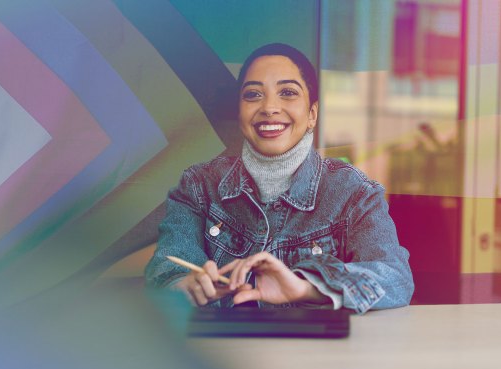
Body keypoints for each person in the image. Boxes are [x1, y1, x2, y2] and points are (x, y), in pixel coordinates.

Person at [144, 43, 413, 314]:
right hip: (223, 352)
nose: (269, 107)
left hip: (316, 355)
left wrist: (306, 287)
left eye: (287, 93)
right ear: (240, 114)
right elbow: (168, 267)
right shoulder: (198, 186)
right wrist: (183, 286)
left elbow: (395, 278)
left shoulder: (354, 193)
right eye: (253, 94)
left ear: (312, 114)